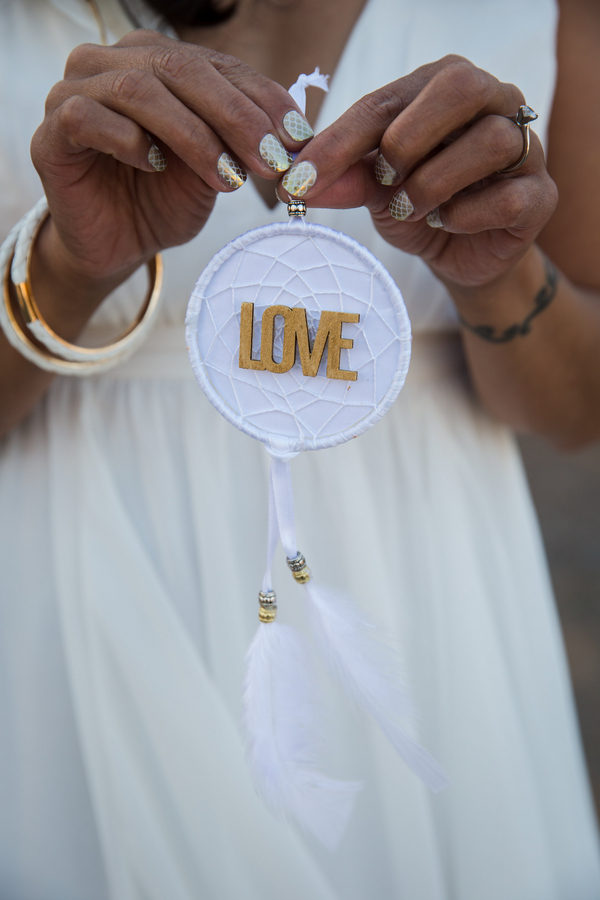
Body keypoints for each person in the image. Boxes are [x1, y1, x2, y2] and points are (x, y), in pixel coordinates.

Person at [1, 0, 599, 897]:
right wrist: (67, 268)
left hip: (429, 608)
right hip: (82, 590)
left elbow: (579, 410)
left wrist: (502, 272)